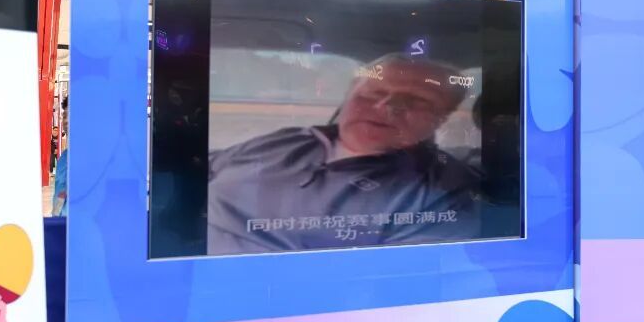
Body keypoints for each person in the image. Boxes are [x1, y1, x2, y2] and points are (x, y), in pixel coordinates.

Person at [207, 54, 483, 254]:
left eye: (415, 101)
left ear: (441, 118)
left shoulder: (440, 195)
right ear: (348, 98)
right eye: (372, 94)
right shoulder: (291, 139)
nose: (385, 107)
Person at [52, 97, 68, 216]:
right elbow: (60, 193)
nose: (66, 120)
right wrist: (55, 218)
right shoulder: (64, 159)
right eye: (65, 115)